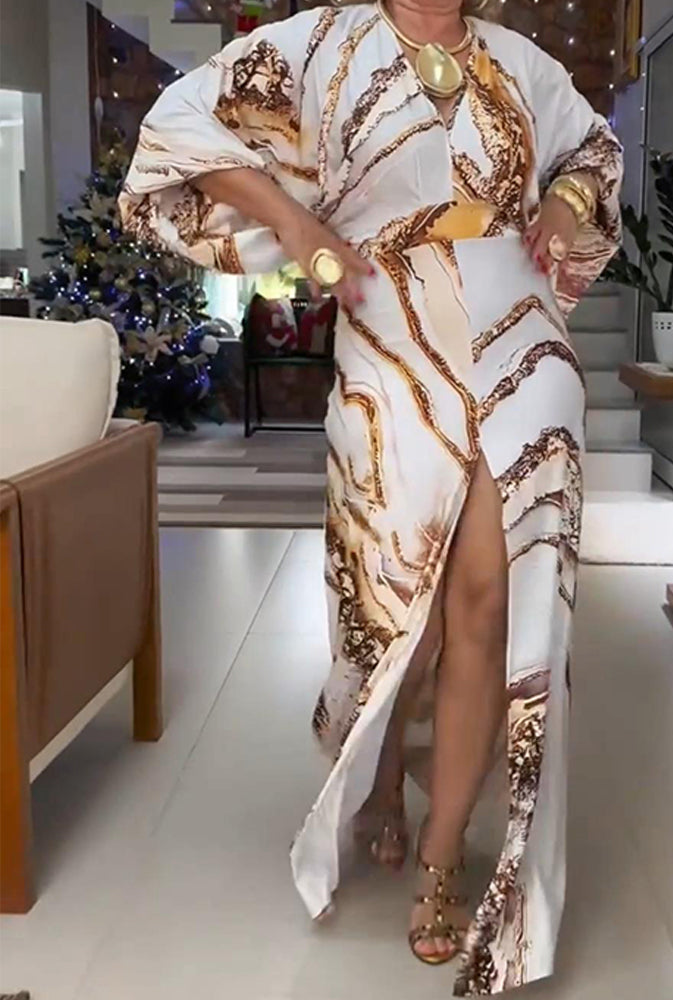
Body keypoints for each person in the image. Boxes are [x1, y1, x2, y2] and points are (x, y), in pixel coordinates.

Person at [121, 0, 622, 993]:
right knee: (401, 604)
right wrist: (297, 223)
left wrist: (564, 207)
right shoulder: (319, 45)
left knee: (487, 601)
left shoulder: (520, 63)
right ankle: (382, 771)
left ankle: (443, 858)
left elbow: (592, 156)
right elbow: (179, 128)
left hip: (520, 333)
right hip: (388, 330)